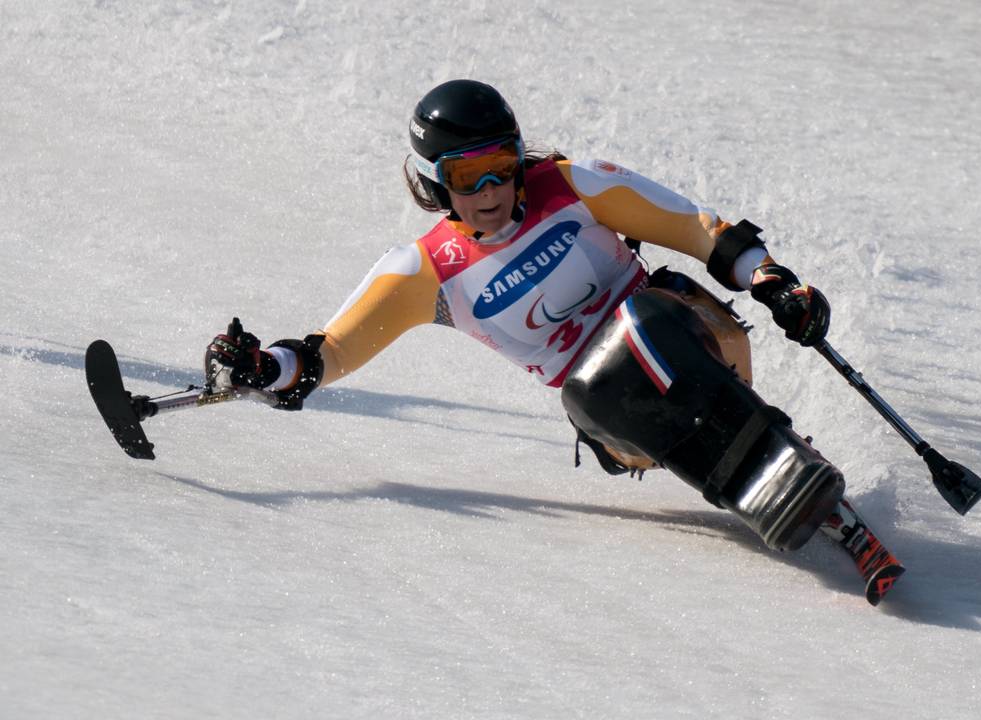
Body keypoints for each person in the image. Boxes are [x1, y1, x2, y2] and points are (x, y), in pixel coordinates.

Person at [205, 79, 844, 552]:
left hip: (696, 335)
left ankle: (775, 458)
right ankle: (764, 481)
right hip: (620, 419)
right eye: (467, 175)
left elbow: (696, 229)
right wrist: (267, 367)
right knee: (595, 383)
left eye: (501, 167)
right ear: (435, 182)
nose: (489, 190)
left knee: (645, 327)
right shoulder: (426, 271)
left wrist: (773, 282)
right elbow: (330, 352)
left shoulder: (572, 185)